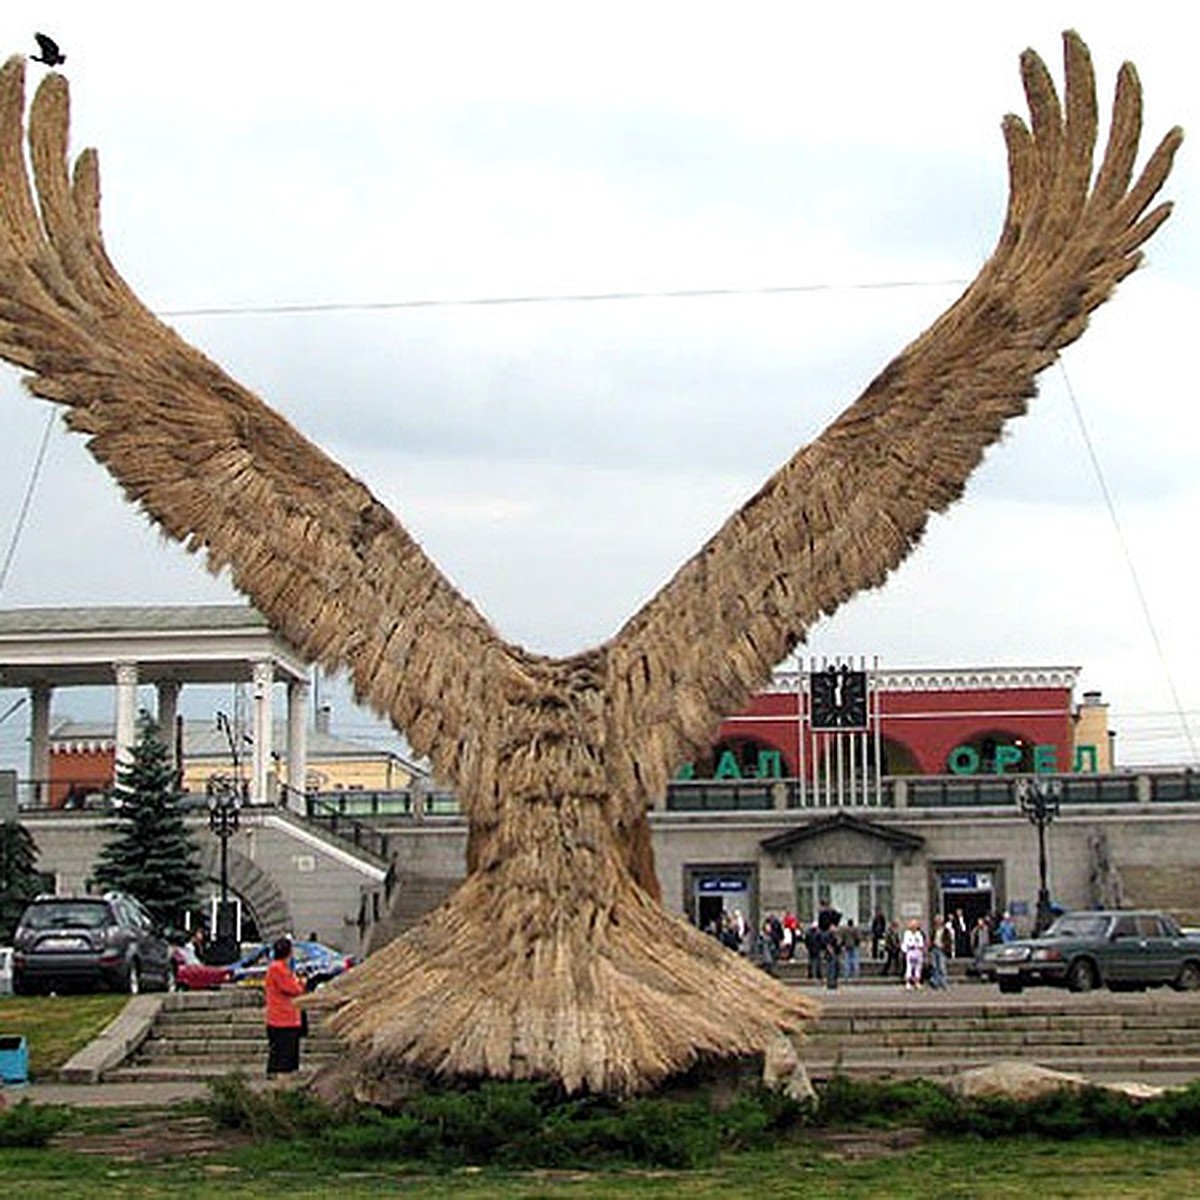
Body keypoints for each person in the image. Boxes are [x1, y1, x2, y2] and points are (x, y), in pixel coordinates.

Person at [265, 936, 306, 1077]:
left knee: (284, 1060)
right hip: (283, 1020)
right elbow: (294, 989)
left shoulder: (279, 968)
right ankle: (281, 1088)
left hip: (282, 1019)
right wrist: (302, 982)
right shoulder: (279, 969)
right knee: (283, 1064)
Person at [901, 919, 926, 990]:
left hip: (918, 951)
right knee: (909, 967)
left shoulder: (919, 934)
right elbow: (907, 942)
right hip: (910, 951)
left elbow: (921, 942)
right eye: (913, 925)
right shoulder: (907, 933)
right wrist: (912, 945)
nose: (914, 927)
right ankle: (908, 982)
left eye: (916, 925)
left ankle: (917, 982)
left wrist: (920, 947)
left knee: (918, 968)